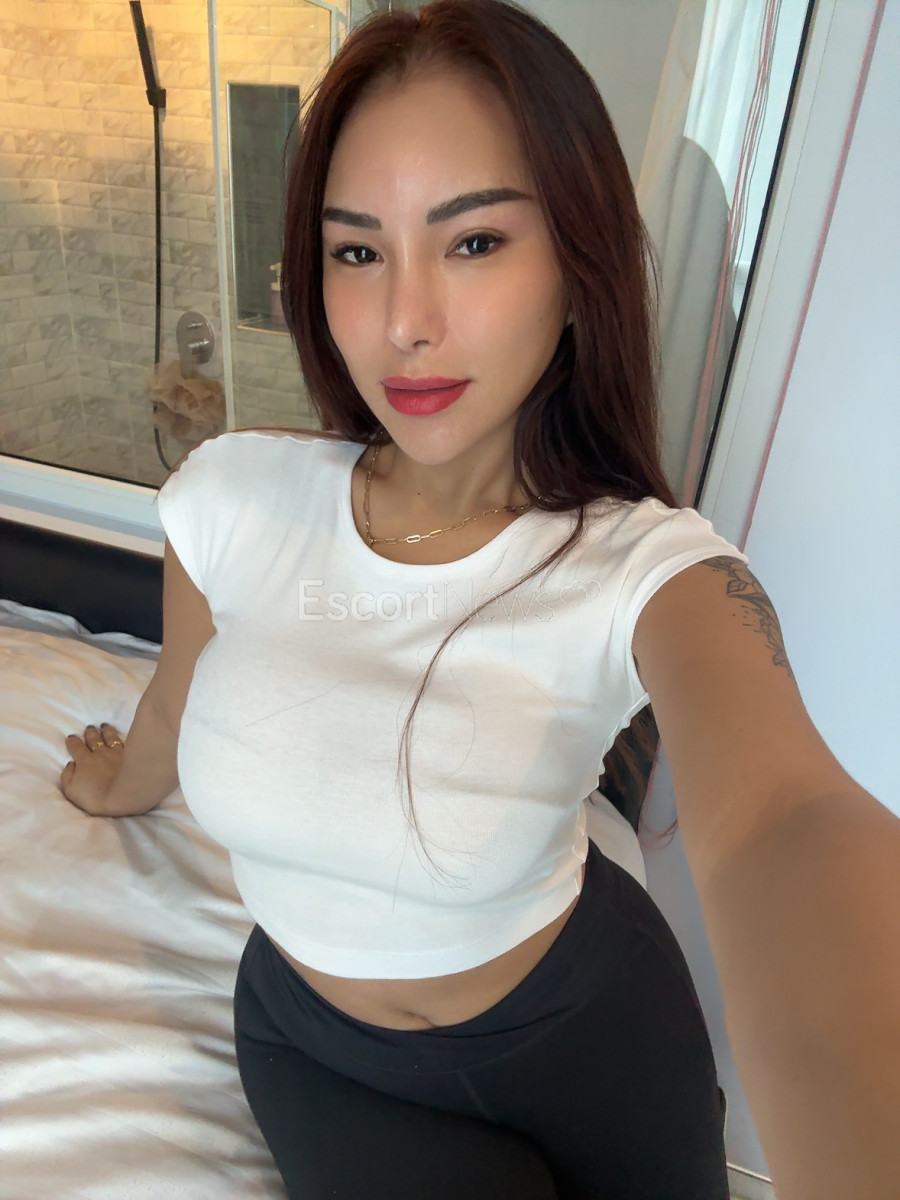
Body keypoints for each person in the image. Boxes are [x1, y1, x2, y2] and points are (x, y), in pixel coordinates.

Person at [59, 2, 900, 1198]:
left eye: (475, 241)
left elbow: (781, 816)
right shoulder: (232, 499)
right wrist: (118, 782)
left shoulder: (646, 566)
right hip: (320, 1050)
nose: (406, 321)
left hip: (595, 1033)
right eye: (358, 253)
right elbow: (176, 702)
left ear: (576, 269)